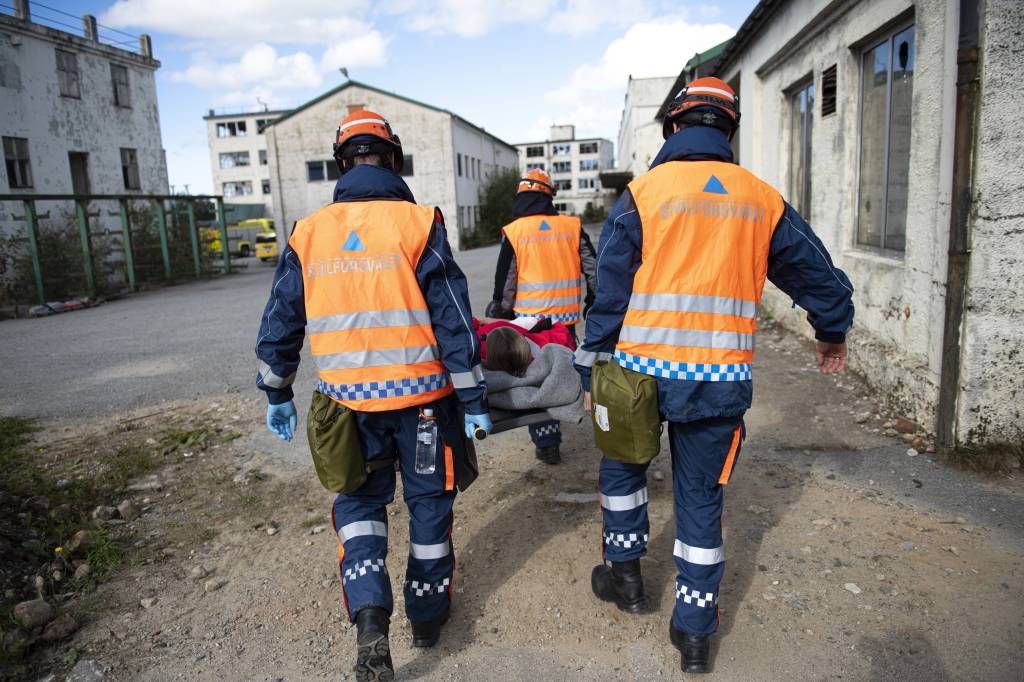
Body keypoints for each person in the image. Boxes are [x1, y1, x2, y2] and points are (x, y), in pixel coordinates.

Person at [573, 77, 854, 674]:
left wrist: (592, 353)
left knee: (622, 468)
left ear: (674, 127)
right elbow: (815, 273)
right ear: (728, 130)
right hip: (717, 381)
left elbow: (612, 288)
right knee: (700, 500)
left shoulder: (644, 193)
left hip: (637, 377)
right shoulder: (759, 198)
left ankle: (625, 577)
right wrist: (831, 329)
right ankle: (694, 631)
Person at [255, 109, 492, 681]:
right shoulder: (418, 224)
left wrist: (277, 390)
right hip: (425, 405)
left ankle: (369, 622)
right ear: (392, 159)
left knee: (360, 509)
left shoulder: (308, 233)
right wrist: (476, 398)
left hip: (345, 407)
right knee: (430, 503)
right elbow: (454, 320)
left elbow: (282, 319)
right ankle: (429, 617)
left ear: (343, 163)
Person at [485, 168, 597, 464]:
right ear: (550, 196)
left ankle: (546, 438)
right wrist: (595, 298)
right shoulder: (571, 226)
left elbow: (506, 277)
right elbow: (592, 265)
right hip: (565, 322)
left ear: (521, 196)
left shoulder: (516, 230)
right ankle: (571, 408)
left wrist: (501, 308)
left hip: (529, 323)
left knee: (535, 377)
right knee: (564, 370)